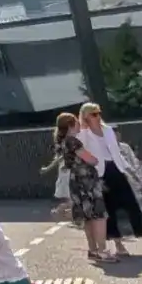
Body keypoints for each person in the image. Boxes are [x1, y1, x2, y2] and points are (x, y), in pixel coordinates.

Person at [78, 103, 142, 260]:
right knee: (110, 211)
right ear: (85, 116)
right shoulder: (83, 135)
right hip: (100, 175)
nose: (98, 116)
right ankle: (119, 246)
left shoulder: (107, 130)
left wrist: (131, 173)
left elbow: (117, 154)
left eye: (99, 113)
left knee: (132, 206)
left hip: (116, 170)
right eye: (93, 114)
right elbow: (82, 157)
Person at [56, 112, 108, 261]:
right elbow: (90, 159)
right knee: (98, 215)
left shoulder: (64, 141)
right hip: (87, 180)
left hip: (76, 181)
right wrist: (96, 159)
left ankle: (93, 250)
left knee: (87, 216)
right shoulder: (73, 141)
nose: (79, 124)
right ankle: (102, 251)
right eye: (77, 122)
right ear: (71, 125)